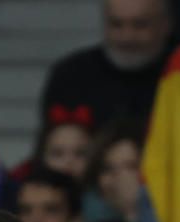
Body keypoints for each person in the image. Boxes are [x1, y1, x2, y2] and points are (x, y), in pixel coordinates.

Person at [37, 0, 173, 139]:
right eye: (116, 24)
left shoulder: (179, 73)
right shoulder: (70, 76)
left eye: (140, 25)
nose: (127, 36)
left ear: (165, 25)